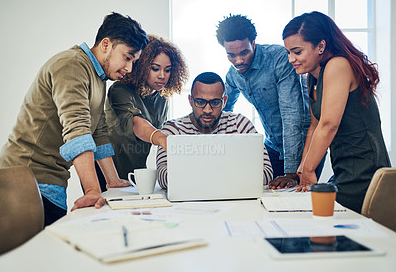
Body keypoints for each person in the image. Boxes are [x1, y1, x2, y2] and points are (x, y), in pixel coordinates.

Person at [0, 12, 149, 226]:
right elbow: (77, 130)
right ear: (106, 45)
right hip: (27, 178)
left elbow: (98, 131)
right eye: (127, 57)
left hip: (51, 180)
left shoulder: (98, 77)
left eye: (134, 61)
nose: (129, 68)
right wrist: (92, 190)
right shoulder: (72, 65)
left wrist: (112, 180)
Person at [282, 11, 391, 213]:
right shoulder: (312, 77)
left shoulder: (337, 65)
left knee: (316, 215)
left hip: (365, 172)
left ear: (321, 46)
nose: (291, 59)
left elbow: (328, 125)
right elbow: (314, 127)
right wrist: (302, 171)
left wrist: (309, 169)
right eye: (288, 52)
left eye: (297, 52)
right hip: (344, 171)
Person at [215, 14, 321, 188]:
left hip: (304, 145)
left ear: (253, 44)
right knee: (263, 191)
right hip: (272, 145)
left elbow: (291, 116)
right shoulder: (233, 74)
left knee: (296, 196)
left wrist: (292, 173)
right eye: (231, 55)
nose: (238, 60)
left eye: (244, 52)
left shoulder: (279, 59)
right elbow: (223, 107)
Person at [98, 35, 188, 189]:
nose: (162, 75)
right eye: (155, 68)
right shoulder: (120, 90)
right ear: (141, 65)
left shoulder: (162, 97)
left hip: (138, 174)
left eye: (167, 70)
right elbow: (135, 123)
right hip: (108, 174)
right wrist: (163, 139)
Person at [156, 72, 273, 189]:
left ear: (224, 101)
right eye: (200, 102)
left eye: (215, 103)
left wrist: (195, 174)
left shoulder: (240, 124)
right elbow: (164, 178)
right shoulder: (173, 130)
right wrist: (230, 173)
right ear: (190, 101)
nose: (207, 110)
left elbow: (267, 173)